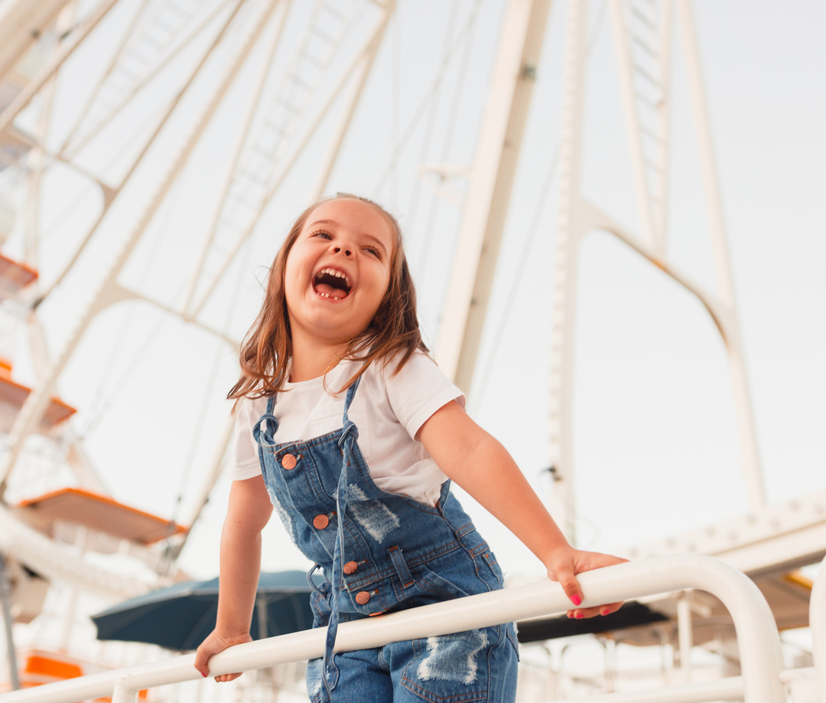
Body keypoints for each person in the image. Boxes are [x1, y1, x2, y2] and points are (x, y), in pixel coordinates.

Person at [194, 193, 626, 702]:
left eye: (370, 250)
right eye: (324, 235)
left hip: (445, 604)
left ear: (388, 296)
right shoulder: (258, 405)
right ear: (285, 263)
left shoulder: (391, 366)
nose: (345, 250)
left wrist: (558, 552)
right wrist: (230, 627)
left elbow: (468, 451)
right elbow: (244, 521)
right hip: (344, 626)